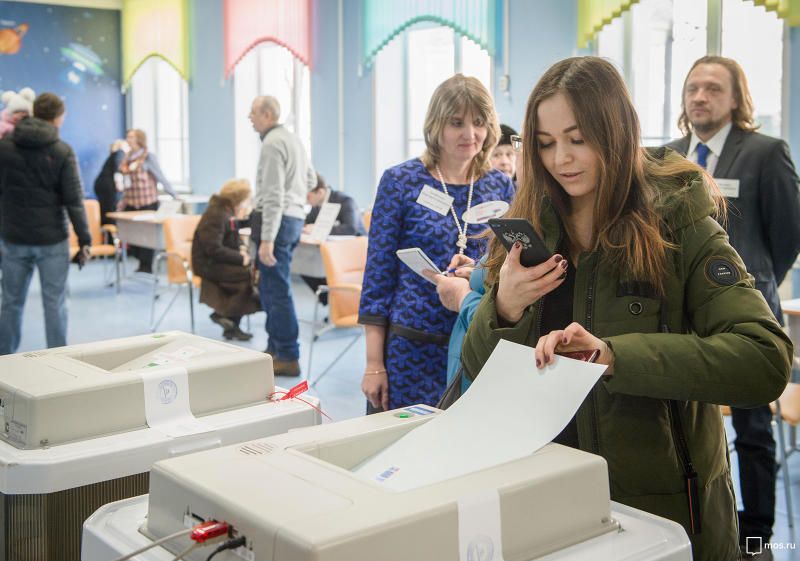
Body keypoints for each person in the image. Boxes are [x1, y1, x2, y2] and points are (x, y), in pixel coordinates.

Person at [460, 57, 792, 560]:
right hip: (546, 502)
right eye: (546, 143)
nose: (562, 160)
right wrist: (503, 309)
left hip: (663, 517)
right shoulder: (529, 227)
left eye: (578, 138)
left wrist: (615, 357)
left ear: (615, 130)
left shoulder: (679, 222)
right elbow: (478, 370)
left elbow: (764, 360)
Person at [666, 55, 800, 559]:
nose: (699, 96)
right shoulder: (669, 157)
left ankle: (756, 535)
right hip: (680, 320)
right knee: (685, 425)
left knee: (752, 430)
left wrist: (754, 282)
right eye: (692, 87)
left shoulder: (766, 153)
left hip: (745, 315)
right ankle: (691, 522)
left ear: (736, 99)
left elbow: (788, 235)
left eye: (712, 89)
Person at [359, 74, 515, 412]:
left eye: (479, 122)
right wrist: (374, 363)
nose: (470, 134)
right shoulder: (400, 182)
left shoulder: (500, 186)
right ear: (436, 126)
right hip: (411, 345)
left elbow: (506, 267)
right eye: (456, 123)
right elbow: (377, 277)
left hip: (475, 342)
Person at [0, 92, 91, 354]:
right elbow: (74, 200)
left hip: (14, 238)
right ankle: (59, 363)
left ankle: (4, 367)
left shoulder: (4, 146)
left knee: (10, 303)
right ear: (58, 118)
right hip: (52, 240)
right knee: (55, 303)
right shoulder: (62, 150)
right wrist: (85, 239)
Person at [249, 95, 316, 376]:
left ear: (267, 114)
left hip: (275, 222)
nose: (249, 118)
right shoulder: (293, 140)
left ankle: (287, 354)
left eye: (253, 113)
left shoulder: (272, 143)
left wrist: (266, 240)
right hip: (293, 218)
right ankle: (275, 348)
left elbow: (274, 195)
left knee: (276, 291)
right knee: (271, 287)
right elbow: (311, 180)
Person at [192, 178, 260, 341]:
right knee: (248, 276)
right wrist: (240, 258)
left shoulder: (226, 211)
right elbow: (213, 248)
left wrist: (242, 249)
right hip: (207, 264)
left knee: (249, 275)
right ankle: (225, 316)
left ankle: (229, 322)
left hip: (217, 261)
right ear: (238, 198)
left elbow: (233, 237)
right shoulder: (217, 214)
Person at [118, 128, 177, 273]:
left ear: (139, 139)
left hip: (147, 202)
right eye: (128, 137)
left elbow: (160, 176)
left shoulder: (148, 157)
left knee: (147, 237)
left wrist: (174, 195)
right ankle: (141, 263)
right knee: (132, 237)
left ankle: (146, 266)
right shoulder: (126, 158)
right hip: (131, 202)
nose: (128, 139)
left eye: (131, 137)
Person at [302, 173, 366, 303]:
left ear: (320, 191)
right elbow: (307, 223)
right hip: (330, 252)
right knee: (302, 262)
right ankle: (332, 300)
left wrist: (319, 229)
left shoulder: (345, 201)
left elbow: (350, 228)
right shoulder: (316, 206)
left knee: (313, 264)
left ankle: (340, 300)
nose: (306, 200)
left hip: (353, 252)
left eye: (308, 196)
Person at [93, 139, 127, 225]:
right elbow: (117, 167)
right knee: (111, 211)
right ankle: (110, 235)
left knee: (105, 212)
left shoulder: (113, 155)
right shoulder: (120, 152)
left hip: (101, 185)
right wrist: (119, 183)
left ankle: (106, 234)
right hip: (108, 186)